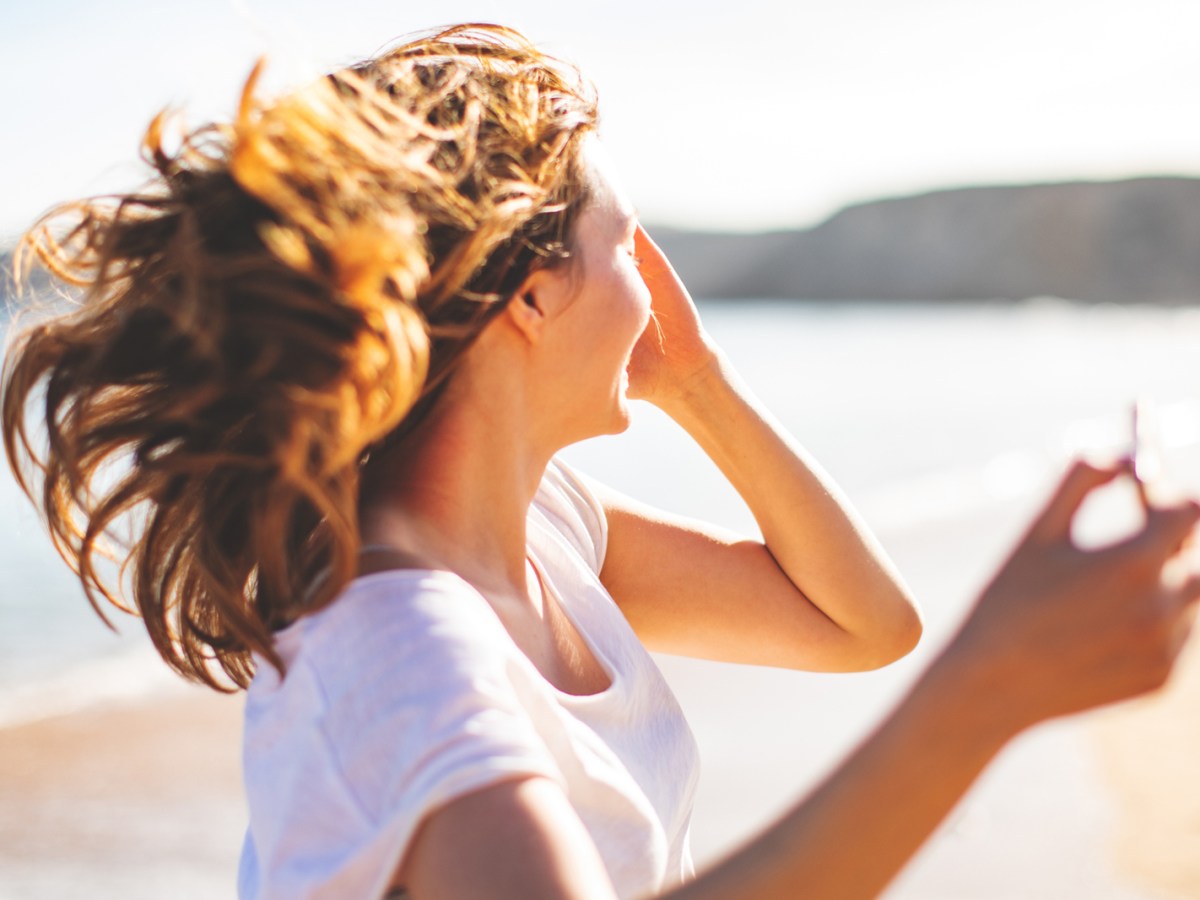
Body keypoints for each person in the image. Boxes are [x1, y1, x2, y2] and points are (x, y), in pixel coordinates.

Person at [2, 23, 1196, 900]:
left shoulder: (542, 527)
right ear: (529, 294)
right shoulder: (396, 646)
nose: (656, 281)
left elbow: (862, 626)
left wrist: (701, 384)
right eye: (629, 243)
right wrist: (985, 696)